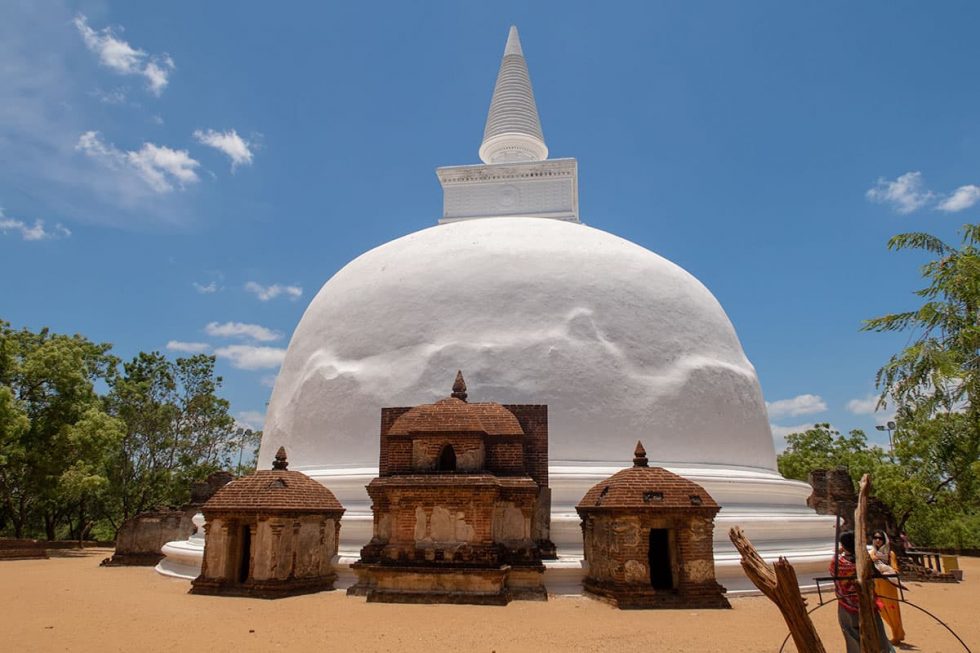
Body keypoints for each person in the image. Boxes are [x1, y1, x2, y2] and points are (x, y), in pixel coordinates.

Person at [831, 531, 895, 653]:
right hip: (869, 602)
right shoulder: (866, 561)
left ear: (843, 546)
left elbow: (832, 571)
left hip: (847, 605)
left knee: (852, 635)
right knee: (878, 634)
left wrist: (837, 554)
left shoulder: (838, 563)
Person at [871, 530, 905, 644]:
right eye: (875, 538)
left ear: (884, 540)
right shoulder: (872, 553)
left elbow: (895, 569)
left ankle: (897, 634)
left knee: (892, 610)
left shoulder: (890, 554)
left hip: (888, 585)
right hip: (877, 584)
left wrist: (886, 570)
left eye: (880, 538)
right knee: (881, 609)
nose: (877, 540)